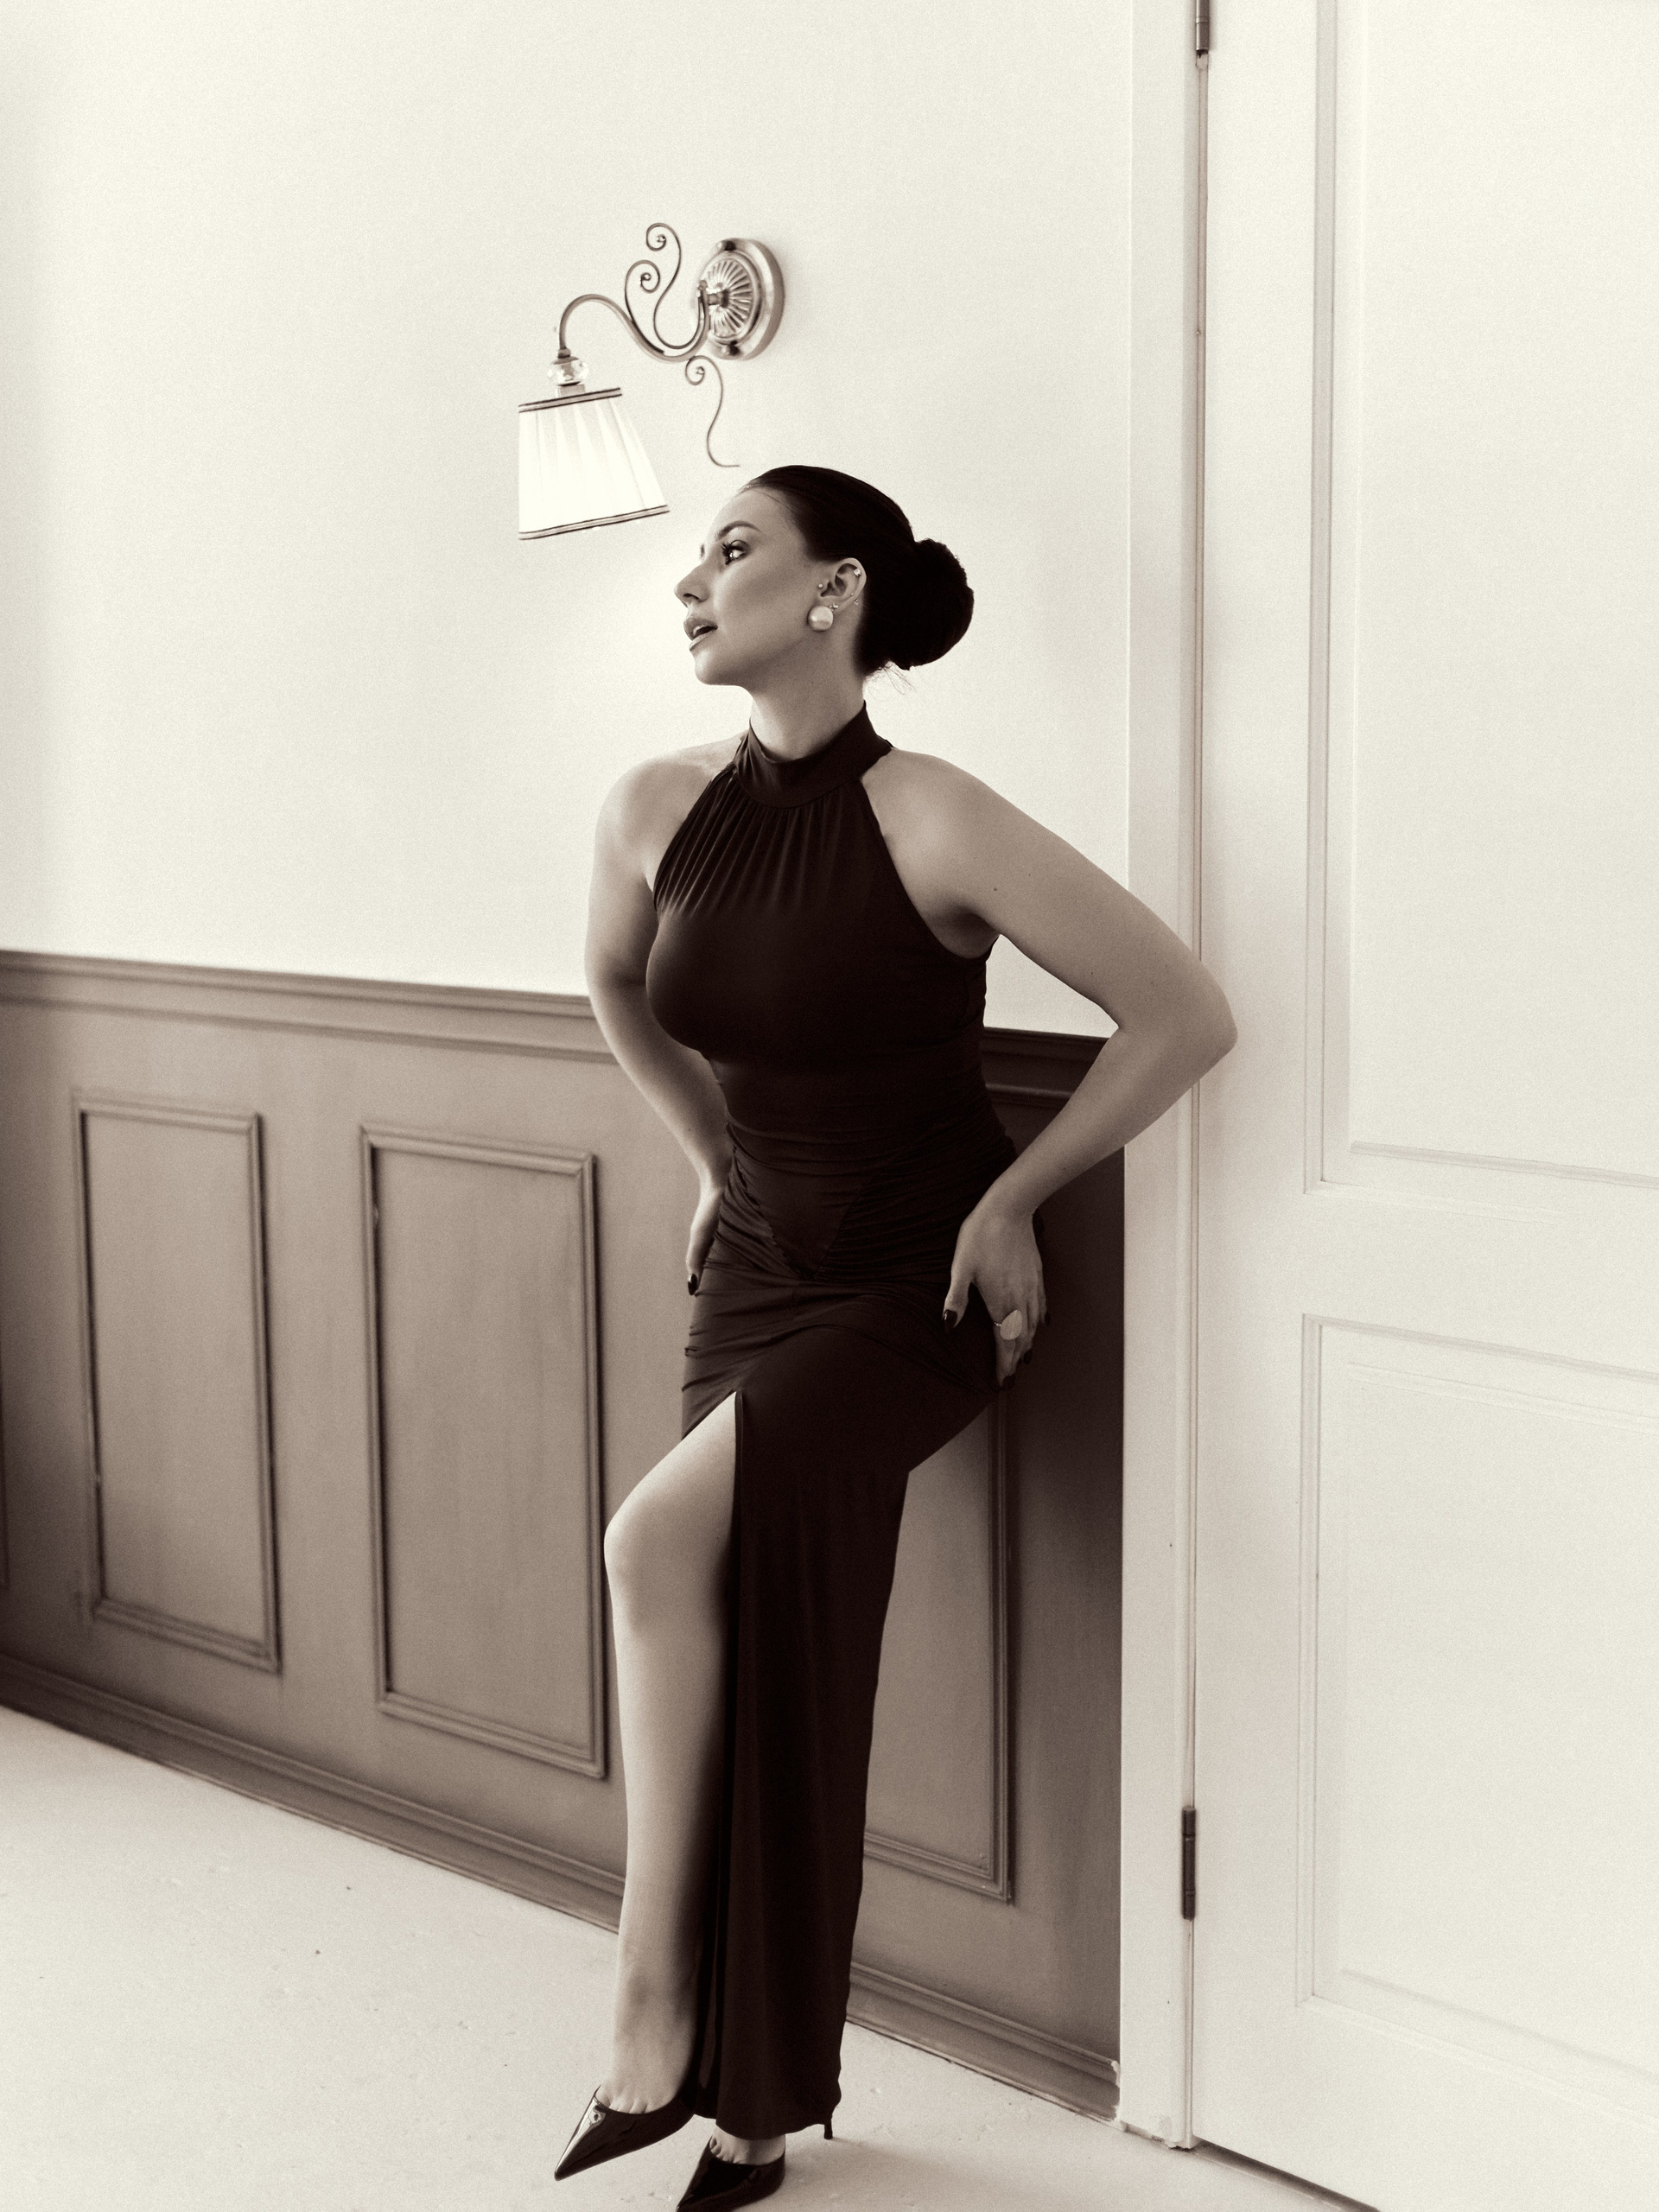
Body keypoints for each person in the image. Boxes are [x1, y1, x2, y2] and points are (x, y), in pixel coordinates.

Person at [560, 465, 1236, 2209]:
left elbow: (1181, 1012)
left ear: (834, 590)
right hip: (755, 1272)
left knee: (648, 1544)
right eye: (695, 556)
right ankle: (752, 2107)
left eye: (732, 551)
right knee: (759, 1635)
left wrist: (1020, 1195)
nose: (692, 583)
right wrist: (708, 1156)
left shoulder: (935, 815)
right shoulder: (650, 805)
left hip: (914, 1289)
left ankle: (654, 2011)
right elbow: (616, 984)